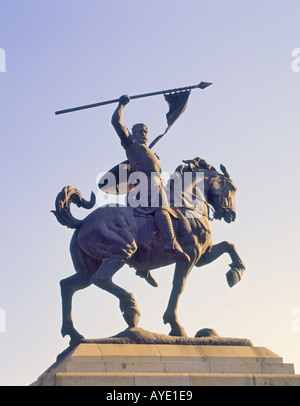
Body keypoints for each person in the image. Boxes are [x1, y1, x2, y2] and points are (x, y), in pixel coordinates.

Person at [111, 95, 190, 287]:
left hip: (154, 184)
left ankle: (144, 267)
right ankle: (170, 243)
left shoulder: (150, 151)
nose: (144, 133)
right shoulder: (131, 144)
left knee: (174, 206)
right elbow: (116, 121)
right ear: (133, 133)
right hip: (144, 187)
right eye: (140, 130)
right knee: (162, 206)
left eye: (146, 130)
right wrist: (122, 104)